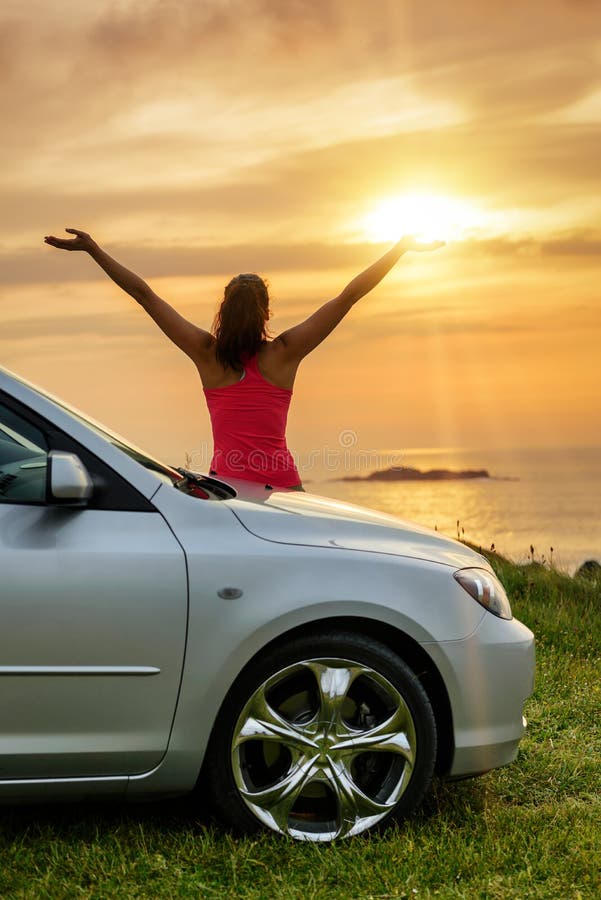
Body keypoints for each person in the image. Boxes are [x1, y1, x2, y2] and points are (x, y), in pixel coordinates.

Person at [44, 229, 443, 490]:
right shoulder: (285, 353)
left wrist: (94, 250)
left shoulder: (206, 354)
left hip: (226, 493)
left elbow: (144, 295)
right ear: (265, 312)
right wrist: (399, 250)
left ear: (224, 310)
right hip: (285, 491)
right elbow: (348, 296)